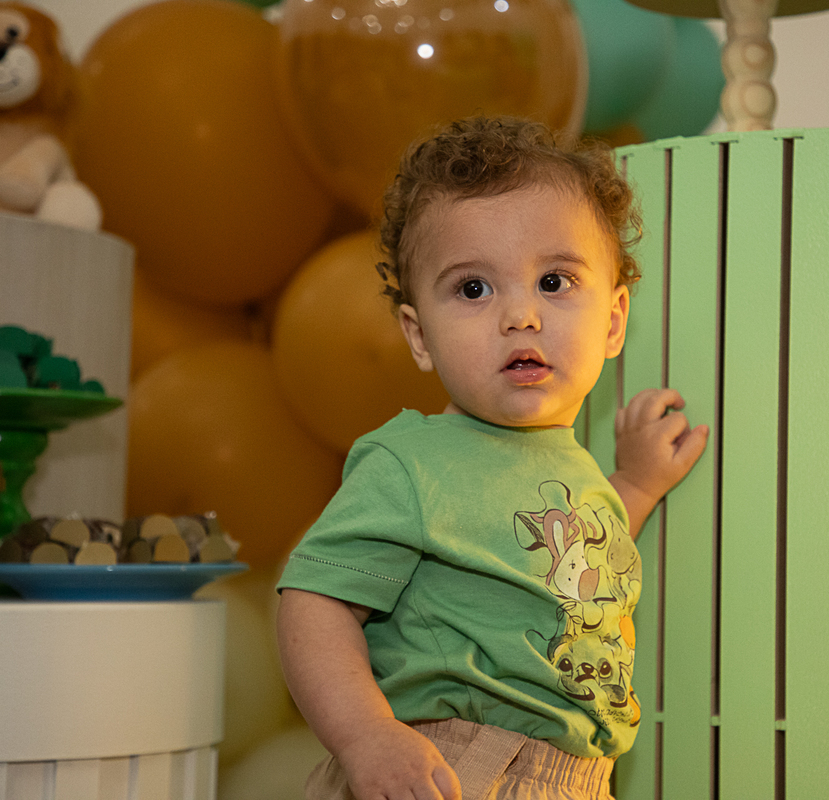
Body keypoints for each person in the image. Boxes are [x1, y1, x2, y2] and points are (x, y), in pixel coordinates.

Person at [276, 116, 709, 800]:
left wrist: (634, 483)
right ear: (420, 336)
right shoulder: (413, 461)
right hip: (458, 762)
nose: (521, 316)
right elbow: (313, 602)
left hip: (578, 777)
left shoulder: (574, 470)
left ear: (613, 322)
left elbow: (571, 563)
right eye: (474, 289)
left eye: (554, 281)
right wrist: (366, 736)